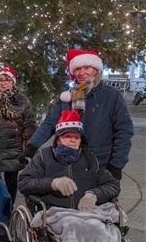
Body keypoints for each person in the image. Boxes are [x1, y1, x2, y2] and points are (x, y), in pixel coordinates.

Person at [17, 110, 121, 242]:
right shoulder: (44, 157)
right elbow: (24, 182)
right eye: (67, 136)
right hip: (57, 213)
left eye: (76, 137)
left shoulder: (90, 159)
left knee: (107, 232)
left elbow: (112, 185)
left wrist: (94, 194)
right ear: (58, 139)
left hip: (88, 213)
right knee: (75, 230)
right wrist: (52, 183)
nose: (72, 140)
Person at [21, 49, 134, 180]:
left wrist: (117, 164)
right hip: (70, 160)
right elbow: (49, 123)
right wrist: (32, 146)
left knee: (100, 198)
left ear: (96, 69)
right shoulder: (67, 97)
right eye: (78, 69)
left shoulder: (111, 95)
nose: (82, 72)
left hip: (101, 162)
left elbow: (124, 131)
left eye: (86, 67)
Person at [0, 67, 36, 205]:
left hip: (14, 149)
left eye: (7, 80)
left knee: (11, 182)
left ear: (13, 82)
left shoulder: (22, 101)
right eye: (0, 80)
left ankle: (9, 209)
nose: (3, 83)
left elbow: (30, 125)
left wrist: (28, 148)